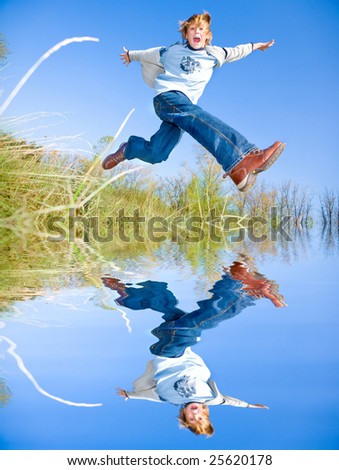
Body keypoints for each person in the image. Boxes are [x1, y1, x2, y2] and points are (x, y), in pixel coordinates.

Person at [102, 12, 286, 192]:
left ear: (207, 35)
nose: (196, 32)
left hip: (183, 109)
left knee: (157, 153)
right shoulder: (172, 51)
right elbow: (148, 54)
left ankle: (129, 148)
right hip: (167, 98)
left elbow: (239, 50)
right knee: (192, 114)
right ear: (186, 33)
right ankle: (240, 160)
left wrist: (258, 45)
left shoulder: (215, 54)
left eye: (201, 29)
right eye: (192, 29)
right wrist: (131, 55)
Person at [103, 255, 285, 436]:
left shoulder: (167, 397)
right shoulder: (213, 399)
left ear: (183, 415)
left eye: (191, 418)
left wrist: (129, 395)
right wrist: (250, 406)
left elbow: (147, 397)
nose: (195, 413)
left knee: (202, 323)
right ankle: (127, 294)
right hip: (181, 346)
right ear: (206, 412)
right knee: (169, 308)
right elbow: (231, 402)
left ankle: (238, 282)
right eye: (200, 417)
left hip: (169, 352)